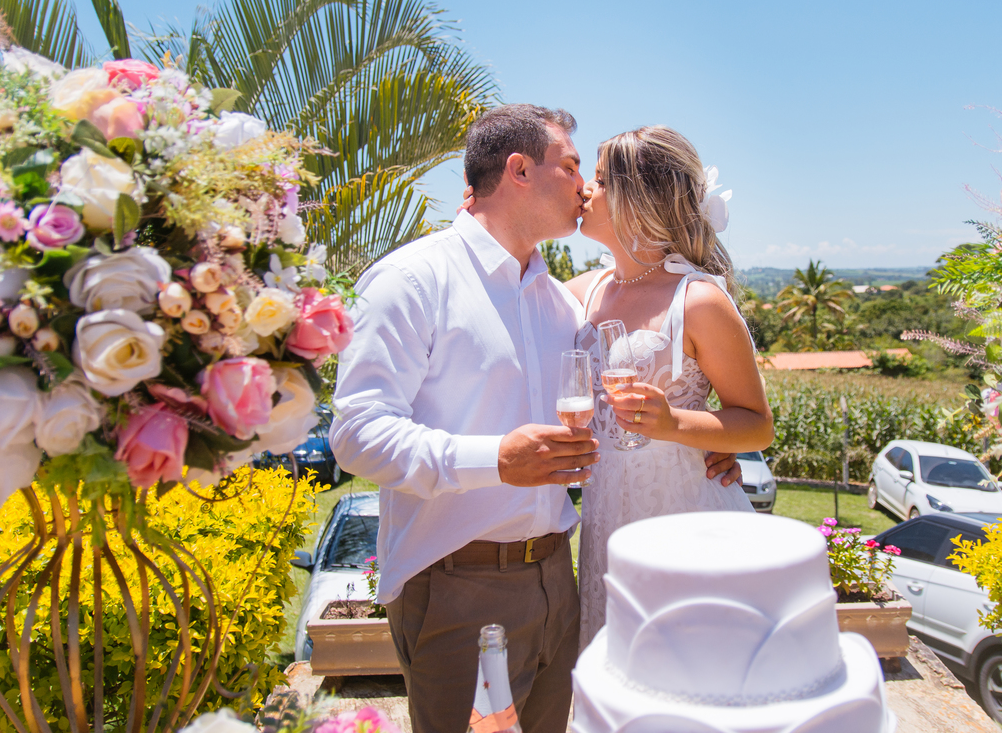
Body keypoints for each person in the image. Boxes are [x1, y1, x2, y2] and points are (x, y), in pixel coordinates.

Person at [330, 106, 740, 733]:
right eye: (572, 167)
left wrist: (695, 437)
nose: (585, 186)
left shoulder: (562, 303)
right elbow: (357, 434)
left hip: (562, 578)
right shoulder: (413, 280)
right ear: (519, 171)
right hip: (457, 584)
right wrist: (496, 460)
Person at [564, 125, 775, 649]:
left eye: (599, 180)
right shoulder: (583, 292)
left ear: (639, 198)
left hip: (687, 522)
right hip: (605, 526)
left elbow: (756, 425)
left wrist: (676, 422)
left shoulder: (698, 301)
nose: (585, 189)